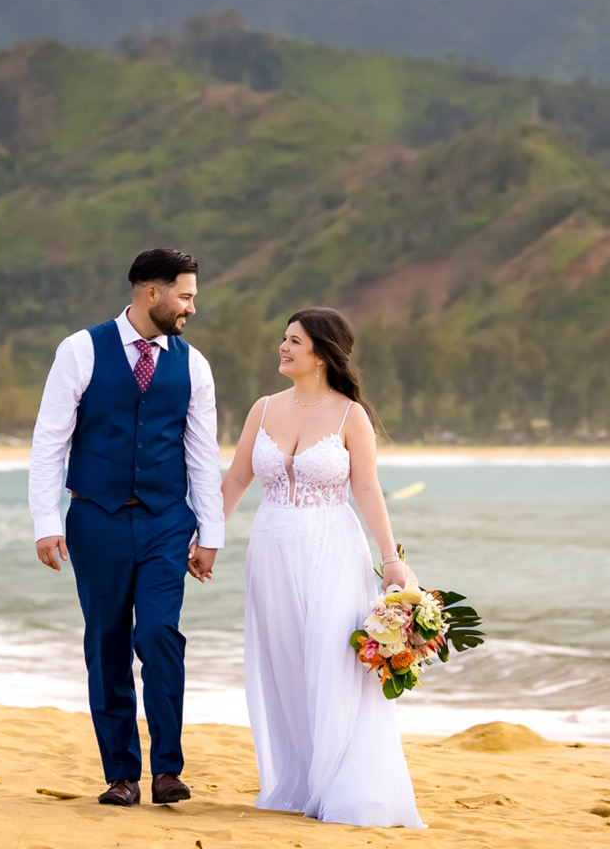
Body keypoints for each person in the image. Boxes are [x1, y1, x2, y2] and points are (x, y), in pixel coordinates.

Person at [27, 248, 224, 807]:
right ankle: (121, 775)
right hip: (97, 520)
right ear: (151, 293)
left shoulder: (195, 364)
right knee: (106, 643)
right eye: (184, 296)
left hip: (166, 520)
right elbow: (50, 442)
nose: (190, 307)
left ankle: (167, 769)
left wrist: (210, 535)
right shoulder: (81, 349)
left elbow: (202, 456)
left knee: (159, 635)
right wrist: (46, 521)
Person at [216, 306, 424, 828]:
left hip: (332, 547)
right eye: (283, 339)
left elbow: (367, 489)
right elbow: (238, 479)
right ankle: (300, 781)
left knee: (332, 662)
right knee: (284, 663)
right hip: (270, 548)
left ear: (322, 353)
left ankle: (345, 785)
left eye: (294, 341)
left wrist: (392, 559)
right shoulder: (263, 409)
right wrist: (207, 540)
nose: (283, 348)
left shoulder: (350, 415)